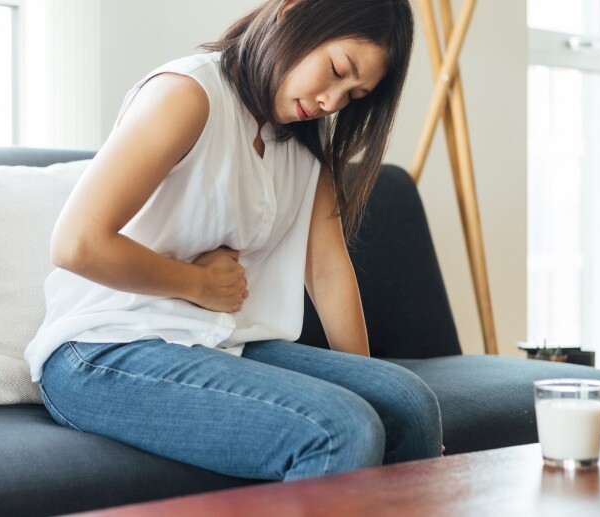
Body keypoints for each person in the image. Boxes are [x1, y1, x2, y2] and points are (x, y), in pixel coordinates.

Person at [27, 0, 442, 482]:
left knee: (408, 403)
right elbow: (76, 243)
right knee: (338, 429)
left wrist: (369, 386)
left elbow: (328, 272)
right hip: (102, 346)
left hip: (216, 341)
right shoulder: (189, 94)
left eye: (353, 95)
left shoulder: (302, 143)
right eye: (336, 70)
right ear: (291, 13)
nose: (332, 101)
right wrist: (196, 283)